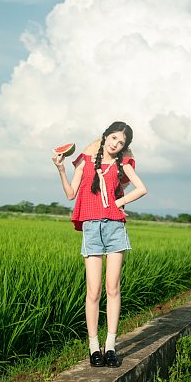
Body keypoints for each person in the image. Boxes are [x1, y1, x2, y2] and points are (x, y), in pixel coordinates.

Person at [52, 121, 147, 368]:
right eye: (113, 138)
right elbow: (71, 194)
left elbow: (142, 189)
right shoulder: (84, 160)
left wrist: (119, 202)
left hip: (115, 227)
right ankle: (94, 347)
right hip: (92, 227)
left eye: (121, 142)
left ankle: (111, 346)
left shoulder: (122, 164)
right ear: (105, 136)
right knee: (93, 291)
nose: (115, 144)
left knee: (112, 288)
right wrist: (61, 169)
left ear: (124, 147)